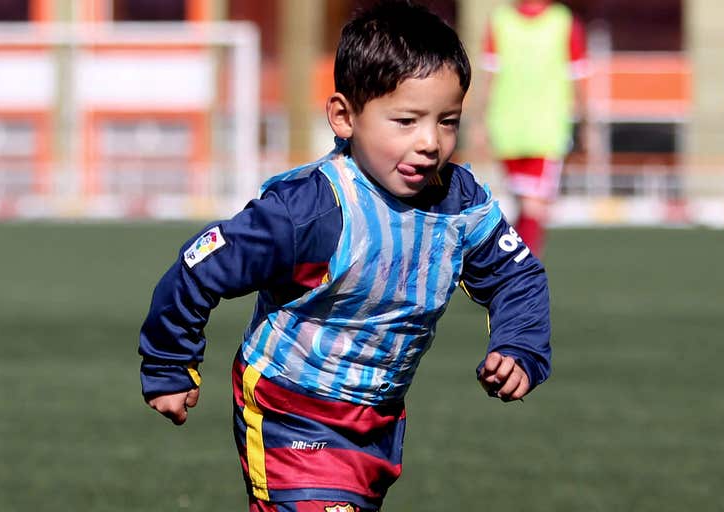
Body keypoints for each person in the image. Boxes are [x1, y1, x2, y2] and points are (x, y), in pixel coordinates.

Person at [138, 2, 551, 511]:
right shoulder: (310, 211)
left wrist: (520, 346)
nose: (429, 143)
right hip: (289, 409)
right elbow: (200, 267)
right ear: (344, 116)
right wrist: (169, 361)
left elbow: (518, 277)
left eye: (447, 122)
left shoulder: (460, 202)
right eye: (405, 121)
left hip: (378, 420)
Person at [473, 0, 589, 256]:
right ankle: (520, 270)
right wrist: (586, 124)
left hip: (506, 128)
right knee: (534, 207)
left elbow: (489, 78)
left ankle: (511, 265)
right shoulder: (563, 22)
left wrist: (480, 122)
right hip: (546, 129)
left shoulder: (501, 20)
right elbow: (578, 78)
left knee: (526, 204)